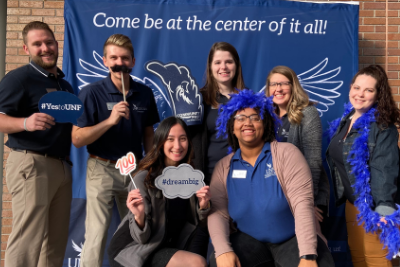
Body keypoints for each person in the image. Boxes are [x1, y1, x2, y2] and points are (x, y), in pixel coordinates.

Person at [208, 89, 335, 267]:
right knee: (219, 261)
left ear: (266, 123)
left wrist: (307, 255)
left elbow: (302, 204)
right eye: (240, 118)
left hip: (293, 239)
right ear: (232, 128)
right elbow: (218, 212)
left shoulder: (287, 153)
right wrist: (223, 251)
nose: (248, 123)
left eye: (255, 117)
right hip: (250, 243)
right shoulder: (223, 167)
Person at [72, 34, 160, 267]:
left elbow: (149, 133)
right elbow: (77, 139)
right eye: (113, 58)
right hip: (101, 167)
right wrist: (110, 121)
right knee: (97, 233)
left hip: (134, 169)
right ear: (104, 61)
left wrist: (149, 166)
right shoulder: (91, 93)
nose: (119, 63)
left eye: (124, 58)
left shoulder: (144, 93)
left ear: (132, 61)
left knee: (137, 230)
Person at [0, 21, 73, 267]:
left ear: (56, 43)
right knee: (26, 240)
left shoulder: (65, 85)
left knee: (55, 244)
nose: (45, 48)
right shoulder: (18, 78)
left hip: (62, 168)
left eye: (49, 42)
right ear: (25, 48)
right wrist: (25, 123)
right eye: (37, 44)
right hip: (31, 164)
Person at [107, 116, 211, 267]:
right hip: (135, 251)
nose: (177, 145)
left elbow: (197, 224)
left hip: (166, 247)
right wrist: (139, 216)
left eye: (182, 139)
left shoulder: (191, 177)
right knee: (197, 263)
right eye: (170, 139)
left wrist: (203, 206)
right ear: (161, 142)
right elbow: (142, 238)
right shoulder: (144, 179)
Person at [326, 65, 400, 267]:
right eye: (357, 88)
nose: (360, 94)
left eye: (368, 90)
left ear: (378, 95)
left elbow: (385, 168)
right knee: (360, 261)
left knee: (377, 262)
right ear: (350, 88)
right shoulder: (347, 118)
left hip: (376, 206)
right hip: (354, 205)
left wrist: (384, 210)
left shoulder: (383, 126)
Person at [265, 66, 330, 234]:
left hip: (305, 194)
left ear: (293, 86)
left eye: (283, 83)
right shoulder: (266, 117)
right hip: (277, 198)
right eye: (273, 84)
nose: (278, 89)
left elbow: (313, 162)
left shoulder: (308, 113)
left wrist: (309, 203)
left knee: (309, 249)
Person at [192, 42, 246, 184]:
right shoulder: (198, 99)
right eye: (217, 62)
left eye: (229, 61)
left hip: (242, 178)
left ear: (236, 66)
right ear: (210, 67)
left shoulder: (249, 100)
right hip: (208, 179)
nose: (223, 67)